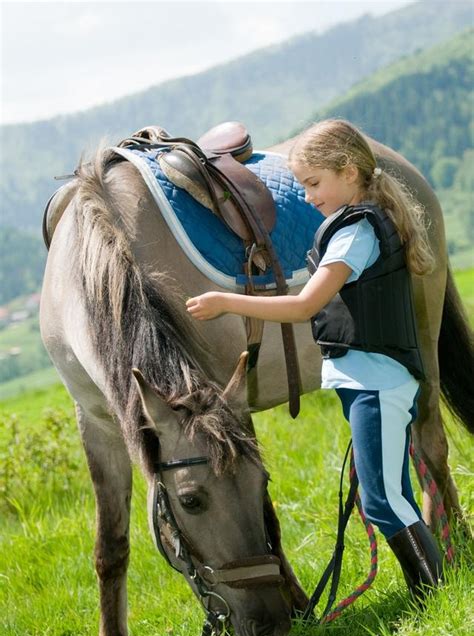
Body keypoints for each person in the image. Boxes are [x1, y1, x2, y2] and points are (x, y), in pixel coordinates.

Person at [186, 118, 443, 600]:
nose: (306, 196)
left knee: (382, 500)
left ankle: (434, 593)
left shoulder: (356, 233)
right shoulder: (352, 227)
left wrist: (226, 302)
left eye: (312, 183)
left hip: (378, 384)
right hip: (368, 383)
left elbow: (305, 305)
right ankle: (432, 588)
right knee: (392, 492)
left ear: (348, 172)